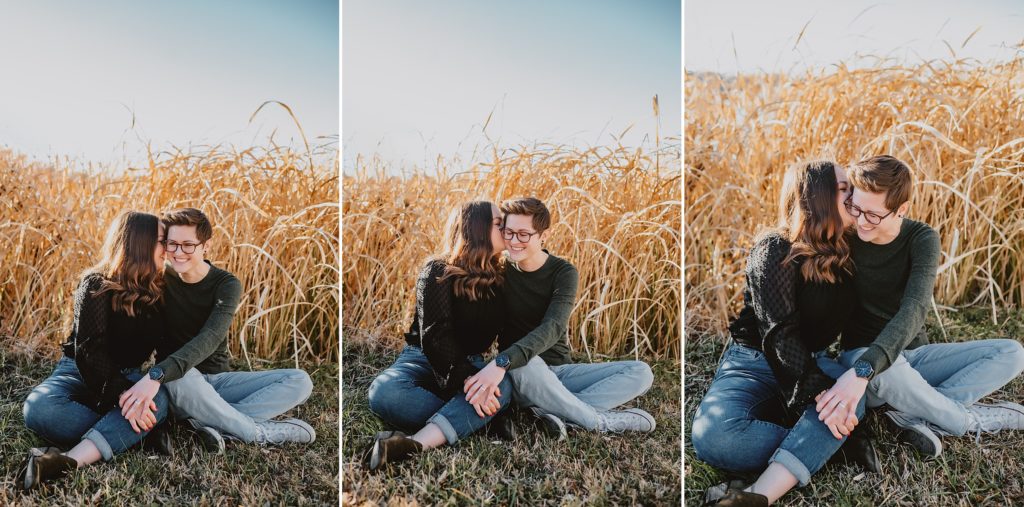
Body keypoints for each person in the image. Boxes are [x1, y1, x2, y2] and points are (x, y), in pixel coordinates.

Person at [692, 160, 874, 506]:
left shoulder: (853, 248)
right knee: (714, 438)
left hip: (816, 360)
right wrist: (821, 397)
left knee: (854, 391)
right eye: (844, 188)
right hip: (755, 362)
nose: (854, 194)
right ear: (817, 197)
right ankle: (832, 443)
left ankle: (762, 491)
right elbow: (779, 335)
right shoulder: (774, 247)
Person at [826, 155, 1024, 458]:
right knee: (890, 373)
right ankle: (966, 421)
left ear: (901, 209)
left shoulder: (921, 238)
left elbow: (915, 308)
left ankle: (914, 416)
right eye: (856, 208)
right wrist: (864, 369)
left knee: (1012, 353)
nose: (862, 221)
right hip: (865, 359)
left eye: (874, 214)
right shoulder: (846, 237)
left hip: (914, 355)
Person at [117, 208, 315, 453]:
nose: (179, 253)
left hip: (219, 381)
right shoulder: (159, 278)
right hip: (179, 382)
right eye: (172, 244)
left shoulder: (226, 284)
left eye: (188, 245)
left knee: (300, 381)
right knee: (182, 377)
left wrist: (154, 375)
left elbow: (210, 337)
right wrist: (160, 374)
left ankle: (207, 423)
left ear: (205, 246)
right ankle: (256, 433)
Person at [462, 197, 656, 439]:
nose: (513, 241)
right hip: (521, 372)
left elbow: (553, 327)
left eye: (523, 234)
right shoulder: (500, 271)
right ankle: (597, 422)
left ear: (544, 235)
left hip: (561, 372)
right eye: (508, 232)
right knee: (526, 363)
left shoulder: (563, 272)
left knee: (641, 372)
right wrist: (504, 362)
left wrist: (500, 362)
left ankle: (553, 413)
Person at [20, 211, 171, 490]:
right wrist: (123, 398)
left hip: (130, 376)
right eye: (163, 241)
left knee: (159, 398)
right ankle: (140, 433)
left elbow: (166, 351)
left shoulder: (162, 288)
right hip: (78, 371)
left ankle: (69, 459)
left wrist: (142, 388)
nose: (169, 247)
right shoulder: (96, 284)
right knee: (40, 409)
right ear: (140, 243)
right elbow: (88, 352)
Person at [363, 200, 511, 470]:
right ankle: (482, 418)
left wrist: (485, 377)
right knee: (384, 392)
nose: (507, 227)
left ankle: (417, 442)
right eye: (499, 222)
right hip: (422, 358)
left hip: (475, 362)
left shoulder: (505, 277)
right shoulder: (437, 270)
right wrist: (467, 381)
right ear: (477, 228)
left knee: (506, 384)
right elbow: (435, 335)